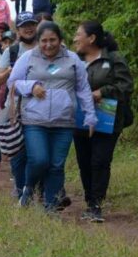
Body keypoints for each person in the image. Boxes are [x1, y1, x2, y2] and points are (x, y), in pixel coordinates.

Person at [7, 21, 97, 212]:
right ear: (38, 41)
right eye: (44, 41)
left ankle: (50, 207)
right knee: (39, 160)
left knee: (56, 165)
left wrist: (90, 116)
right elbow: (12, 83)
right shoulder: (28, 57)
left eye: (53, 40)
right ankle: (28, 188)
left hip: (64, 122)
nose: (48, 45)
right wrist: (31, 86)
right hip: (34, 120)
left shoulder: (73, 59)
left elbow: (83, 89)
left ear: (61, 40)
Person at [72, 21, 134, 223]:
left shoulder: (113, 58)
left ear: (91, 38)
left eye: (78, 34)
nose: (74, 39)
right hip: (80, 120)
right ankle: (90, 200)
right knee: (84, 162)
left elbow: (126, 85)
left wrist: (102, 92)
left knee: (100, 161)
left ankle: (96, 205)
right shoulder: (74, 60)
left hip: (108, 120)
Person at [0, 11, 39, 198]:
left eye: (31, 24)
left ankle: (38, 189)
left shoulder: (46, 47)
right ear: (18, 30)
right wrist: (11, 71)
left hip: (40, 107)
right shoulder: (11, 52)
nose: (28, 28)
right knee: (17, 153)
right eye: (23, 25)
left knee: (37, 153)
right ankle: (21, 189)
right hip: (15, 108)